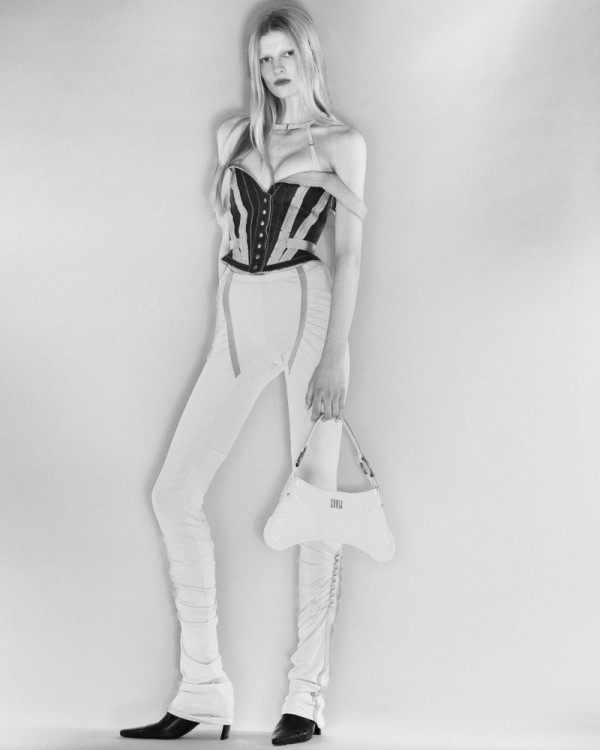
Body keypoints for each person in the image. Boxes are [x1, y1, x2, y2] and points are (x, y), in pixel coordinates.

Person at [119, 4, 367, 745]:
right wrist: (225, 325)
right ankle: (202, 691)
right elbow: (224, 237)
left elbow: (348, 252)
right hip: (238, 315)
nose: (276, 69)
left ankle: (306, 698)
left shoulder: (342, 142)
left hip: (307, 307)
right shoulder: (235, 135)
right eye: (265, 58)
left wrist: (336, 354)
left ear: (309, 57)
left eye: (288, 54)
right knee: (173, 494)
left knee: (314, 502)